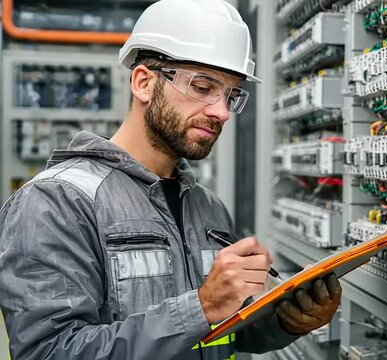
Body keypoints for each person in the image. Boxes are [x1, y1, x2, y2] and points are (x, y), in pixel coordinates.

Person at [0, 0, 341, 359]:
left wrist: (288, 321)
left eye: (231, 95)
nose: (221, 112)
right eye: (203, 86)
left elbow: (225, 333)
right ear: (144, 83)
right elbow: (50, 352)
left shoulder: (207, 206)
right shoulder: (56, 201)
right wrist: (200, 307)